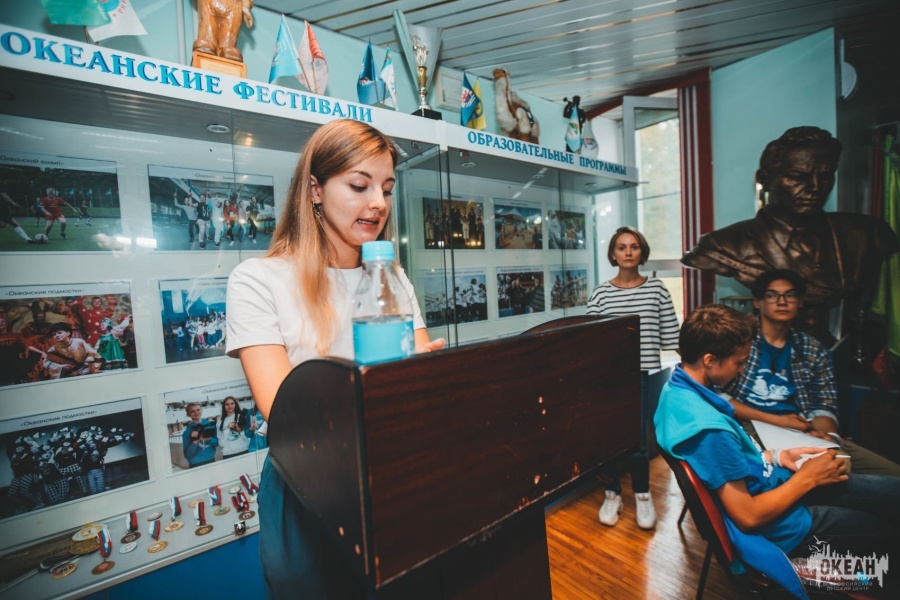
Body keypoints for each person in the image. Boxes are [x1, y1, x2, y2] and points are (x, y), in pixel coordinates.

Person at [226, 119, 444, 599]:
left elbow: (418, 387)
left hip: (391, 473)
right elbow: (286, 413)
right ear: (315, 190)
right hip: (306, 486)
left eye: (387, 188)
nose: (378, 203)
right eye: (360, 185)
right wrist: (391, 388)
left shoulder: (392, 278)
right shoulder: (257, 280)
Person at [655, 305, 899, 597]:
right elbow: (748, 517)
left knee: (891, 494)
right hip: (784, 528)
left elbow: (729, 464)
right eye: (739, 362)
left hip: (776, 487)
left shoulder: (675, 391)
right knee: (884, 527)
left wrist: (778, 457)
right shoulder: (709, 431)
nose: (742, 369)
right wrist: (807, 478)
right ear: (709, 360)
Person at [682, 126, 899, 346]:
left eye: (825, 176)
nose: (815, 187)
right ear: (765, 179)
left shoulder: (867, 234)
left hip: (832, 347)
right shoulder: (723, 245)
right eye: (797, 177)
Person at [722, 269, 900, 476]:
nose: (782, 301)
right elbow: (718, 396)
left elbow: (823, 405)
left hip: (801, 430)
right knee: (832, 473)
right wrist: (778, 421)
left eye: (790, 295)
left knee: (891, 474)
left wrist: (828, 435)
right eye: (772, 295)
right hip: (752, 428)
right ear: (757, 302)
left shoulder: (812, 348)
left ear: (800, 302)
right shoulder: (740, 342)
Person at [586, 226, 680, 529]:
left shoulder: (657, 289)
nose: (628, 252)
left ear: (642, 252)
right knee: (610, 439)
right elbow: (591, 341)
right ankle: (612, 493)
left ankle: (642, 495)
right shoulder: (600, 293)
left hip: (643, 375)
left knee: (638, 442)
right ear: (613, 254)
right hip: (609, 377)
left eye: (634, 246)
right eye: (621, 247)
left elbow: (672, 337)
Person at [182, 402, 219, 468]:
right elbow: (187, 455)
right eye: (193, 411)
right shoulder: (187, 432)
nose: (196, 413)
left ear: (201, 410)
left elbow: (216, 443)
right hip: (195, 464)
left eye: (198, 410)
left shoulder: (210, 425)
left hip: (211, 460)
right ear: (188, 414)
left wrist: (208, 439)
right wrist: (194, 442)